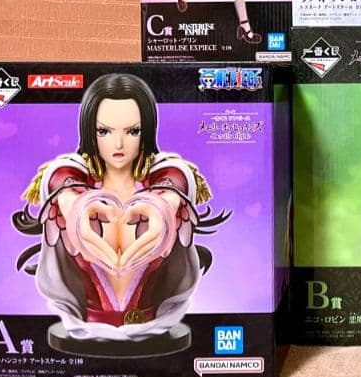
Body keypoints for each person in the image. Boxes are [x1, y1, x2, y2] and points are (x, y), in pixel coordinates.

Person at [16, 74, 214, 343]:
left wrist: (164, 207)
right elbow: (60, 175)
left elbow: (176, 176)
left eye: (132, 131)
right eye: (104, 131)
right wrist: (73, 205)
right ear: (89, 131)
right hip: (86, 330)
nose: (118, 144)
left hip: (154, 329)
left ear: (146, 131)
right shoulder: (75, 186)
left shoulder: (160, 184)